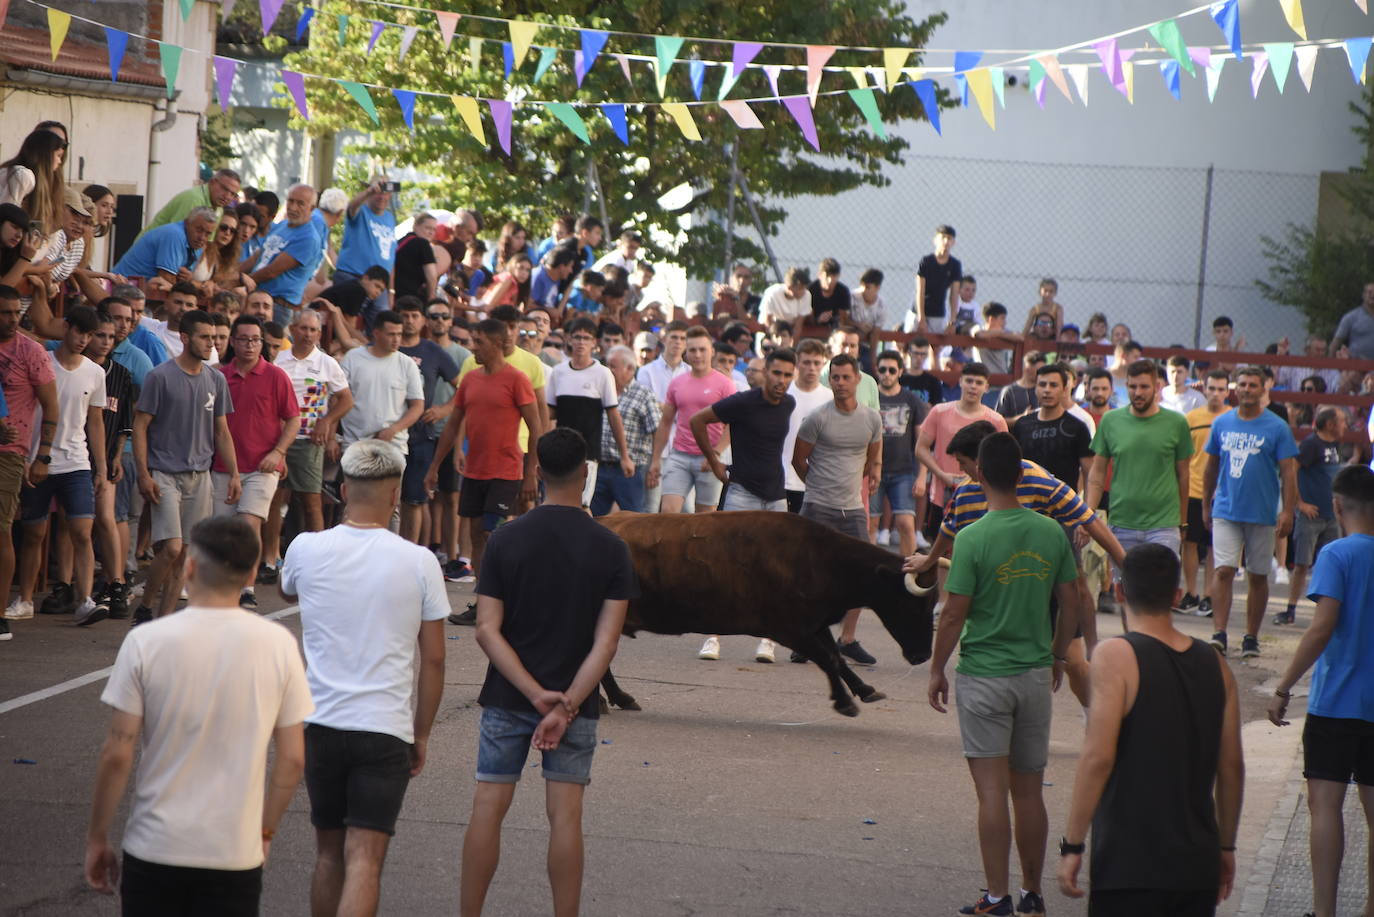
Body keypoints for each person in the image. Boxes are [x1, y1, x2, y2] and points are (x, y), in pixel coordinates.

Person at [84, 516, 311, 915]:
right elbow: (292, 759)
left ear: (190, 567)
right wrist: (265, 831)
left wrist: (98, 836)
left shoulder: (146, 641)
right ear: (252, 572)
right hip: (234, 852)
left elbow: (118, 752)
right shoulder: (277, 644)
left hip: (155, 846)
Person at [459, 427, 635, 917]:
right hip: (574, 705)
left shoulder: (506, 540)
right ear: (585, 474)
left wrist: (535, 694)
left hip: (507, 698)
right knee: (566, 818)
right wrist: (567, 701)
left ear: (536, 473)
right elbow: (607, 641)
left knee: (487, 810)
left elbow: (487, 630)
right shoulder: (611, 547)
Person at [279, 439, 446, 917]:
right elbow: (433, 660)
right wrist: (422, 733)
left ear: (344, 487)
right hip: (384, 728)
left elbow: (285, 586)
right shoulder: (420, 562)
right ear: (396, 495)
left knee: (328, 853)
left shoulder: (306, 548)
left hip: (321, 726)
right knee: (365, 861)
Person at [924, 433, 1077, 917]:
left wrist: (935, 669)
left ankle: (997, 897)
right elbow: (1072, 600)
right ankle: (1033, 892)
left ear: (981, 476)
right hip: (1034, 676)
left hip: (985, 676)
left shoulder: (972, 537)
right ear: (1021, 474)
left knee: (991, 793)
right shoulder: (1052, 532)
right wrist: (1057, 656)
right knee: (1029, 790)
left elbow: (953, 614)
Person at [1058, 544, 1243, 917]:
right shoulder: (1216, 665)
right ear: (1177, 596)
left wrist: (1073, 845)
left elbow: (1098, 757)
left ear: (1120, 590)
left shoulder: (1115, 655)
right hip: (1197, 863)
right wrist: (1226, 847)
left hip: (1130, 864)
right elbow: (1231, 767)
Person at [1267, 465, 1374, 917]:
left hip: (1336, 703)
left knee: (1325, 804)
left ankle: (1324, 911)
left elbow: (1322, 625)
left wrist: (1284, 685)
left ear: (1336, 505)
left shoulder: (1336, 554)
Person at [691, 347, 797, 663]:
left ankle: (768, 641)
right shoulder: (743, 401)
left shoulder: (789, 404)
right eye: (776, 373)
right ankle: (712, 637)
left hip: (776, 495)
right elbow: (698, 420)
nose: (781, 380)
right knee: (726, 565)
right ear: (764, 372)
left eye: (787, 375)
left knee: (776, 570)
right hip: (741, 492)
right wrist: (713, 460)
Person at [133, 309, 239, 622]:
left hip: (200, 477)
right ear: (185, 337)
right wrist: (143, 473)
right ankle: (146, 605)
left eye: (215, 337)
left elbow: (221, 431)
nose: (211, 343)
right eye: (204, 337)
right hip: (164, 473)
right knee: (171, 548)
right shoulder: (160, 376)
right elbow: (140, 426)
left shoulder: (215, 379)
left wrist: (233, 473)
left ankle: (164, 621)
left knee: (186, 555)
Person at [425, 319, 541, 584]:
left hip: (505, 472)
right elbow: (453, 425)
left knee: (493, 535)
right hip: (474, 472)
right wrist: (434, 467)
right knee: (477, 535)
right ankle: (482, 599)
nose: (473, 348)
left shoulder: (517, 379)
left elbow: (536, 427)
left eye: (479, 342)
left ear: (498, 344)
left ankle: (501, 597)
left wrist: (531, 473)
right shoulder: (470, 380)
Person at [15, 306, 107, 626]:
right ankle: (25, 598)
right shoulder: (43, 362)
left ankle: (85, 599)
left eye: (90, 334)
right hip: (36, 458)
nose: (84, 339)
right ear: (66, 328)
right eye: (80, 331)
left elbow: (95, 421)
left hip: (76, 461)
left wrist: (102, 467)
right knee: (33, 533)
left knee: (82, 531)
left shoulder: (96, 372)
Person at [792, 353, 882, 664]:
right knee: (808, 574)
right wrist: (817, 486)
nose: (840, 383)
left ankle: (848, 638)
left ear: (858, 380)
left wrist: (875, 472)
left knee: (864, 573)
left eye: (846, 377)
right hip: (817, 505)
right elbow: (798, 461)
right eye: (835, 377)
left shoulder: (871, 418)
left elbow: (874, 451)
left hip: (853, 508)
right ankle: (805, 636)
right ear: (828, 380)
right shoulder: (817, 418)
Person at [1202, 366, 1298, 657]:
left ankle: (1250, 637)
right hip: (1226, 508)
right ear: (1236, 388)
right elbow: (1211, 466)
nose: (1246, 389)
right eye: (1242, 384)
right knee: (1224, 571)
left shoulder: (1277, 427)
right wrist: (1207, 504)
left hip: (1262, 511)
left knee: (1257, 575)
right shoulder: (1222, 423)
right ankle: (1219, 633)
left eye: (1252, 385)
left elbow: (1289, 472)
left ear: (1263, 389)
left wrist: (1288, 511)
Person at [212, 315, 300, 607]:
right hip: (224, 466)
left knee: (249, 525)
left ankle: (246, 589)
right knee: (224, 532)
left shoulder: (276, 376)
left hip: (263, 467)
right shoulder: (219, 376)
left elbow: (293, 420)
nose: (250, 345)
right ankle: (227, 585)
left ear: (263, 343)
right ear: (232, 341)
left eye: (255, 339)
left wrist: (278, 452)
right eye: (244, 339)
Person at [262, 309, 353, 578]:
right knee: (273, 500)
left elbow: (346, 399)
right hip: (276, 438)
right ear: (293, 328)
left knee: (312, 500)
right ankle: (270, 559)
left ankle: (321, 562)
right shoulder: (279, 359)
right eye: (304, 328)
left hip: (309, 439)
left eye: (314, 330)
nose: (309, 334)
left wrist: (327, 421)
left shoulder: (326, 363)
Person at [1086, 359, 1192, 562]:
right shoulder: (1110, 420)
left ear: (1157, 387)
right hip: (1121, 523)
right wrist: (1088, 514)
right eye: (1133, 386)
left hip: (1164, 524)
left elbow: (1184, 475)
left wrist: (1183, 522)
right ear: (1126, 387)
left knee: (1159, 590)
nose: (1138, 392)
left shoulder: (1177, 423)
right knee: (1125, 590)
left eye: (1144, 386)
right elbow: (1097, 471)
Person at [0, 286, 58, 638]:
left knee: (2, 530)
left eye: (14, 312)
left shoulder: (30, 351)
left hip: (9, 455)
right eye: (4, 313)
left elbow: (51, 406)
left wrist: (43, 456)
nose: (11, 319)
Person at [393, 297, 461, 543]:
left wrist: (444, 409)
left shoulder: (433, 351)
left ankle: (411, 553)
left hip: (422, 436)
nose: (409, 321)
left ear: (422, 320)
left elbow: (463, 387)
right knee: (389, 499)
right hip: (388, 434)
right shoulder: (388, 346)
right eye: (405, 315)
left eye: (414, 316)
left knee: (415, 499)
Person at [647, 326, 736, 515]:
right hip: (679, 455)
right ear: (686, 352)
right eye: (693, 350)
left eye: (702, 349)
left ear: (712, 352)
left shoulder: (725, 384)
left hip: (709, 457)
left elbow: (732, 424)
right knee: (668, 513)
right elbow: (665, 422)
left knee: (705, 517)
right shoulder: (677, 383)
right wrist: (655, 459)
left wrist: (716, 454)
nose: (697, 355)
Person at [546, 318, 632, 508]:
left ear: (594, 342)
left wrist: (624, 455)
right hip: (560, 450)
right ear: (569, 339)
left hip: (588, 452)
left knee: (582, 505)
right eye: (577, 337)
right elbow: (549, 412)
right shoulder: (558, 372)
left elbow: (613, 415)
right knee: (558, 503)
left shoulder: (602, 373)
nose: (581, 342)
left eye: (586, 338)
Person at [916, 362, 1008, 534]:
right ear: (960, 381)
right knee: (940, 543)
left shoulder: (996, 420)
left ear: (987, 387)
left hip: (981, 493)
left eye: (979, 383)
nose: (973, 386)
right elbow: (921, 448)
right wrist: (941, 474)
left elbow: (1003, 458)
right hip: (943, 490)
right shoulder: (939, 411)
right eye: (969, 381)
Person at [87, 311, 136, 621]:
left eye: (110, 336)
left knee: (107, 517)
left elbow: (124, 426)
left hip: (106, 458)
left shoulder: (122, 374)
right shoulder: (76, 367)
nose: (105, 341)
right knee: (75, 526)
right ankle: (71, 586)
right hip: (76, 456)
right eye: (99, 335)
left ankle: (116, 582)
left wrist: (116, 457)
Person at [1279, 408, 1347, 626]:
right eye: (1342, 421)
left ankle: (1326, 611)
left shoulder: (1334, 445)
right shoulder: (1311, 445)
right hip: (1313, 514)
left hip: (1330, 514)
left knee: (1330, 565)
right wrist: (1299, 503)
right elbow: (1292, 470)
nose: (1345, 426)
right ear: (1330, 424)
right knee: (1302, 563)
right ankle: (1291, 608)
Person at [1178, 370, 1232, 616]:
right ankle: (1191, 592)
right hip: (1193, 487)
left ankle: (1209, 595)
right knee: (1189, 542)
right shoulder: (1191, 418)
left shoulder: (1233, 418)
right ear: (1205, 390)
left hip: (1221, 491)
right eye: (1212, 388)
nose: (1216, 394)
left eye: (1221, 389)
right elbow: (1183, 455)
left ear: (1228, 392)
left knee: (1213, 546)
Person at [338, 310, 424, 462]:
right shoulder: (352, 358)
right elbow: (337, 399)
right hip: (355, 444)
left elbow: (417, 406)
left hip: (393, 446)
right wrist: (332, 437)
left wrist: (394, 429)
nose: (396, 339)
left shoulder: (407, 364)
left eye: (399, 334)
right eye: (391, 334)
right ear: (376, 333)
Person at [870, 349, 929, 556]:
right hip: (870, 470)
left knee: (906, 524)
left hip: (903, 472)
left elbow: (922, 442)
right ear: (877, 370)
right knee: (871, 524)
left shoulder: (912, 400)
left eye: (892, 370)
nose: (887, 374)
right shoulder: (868, 398)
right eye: (883, 369)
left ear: (900, 372)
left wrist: (922, 476)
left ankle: (909, 576)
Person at [590, 346, 658, 516]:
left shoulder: (643, 395)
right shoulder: (600, 391)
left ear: (629, 369)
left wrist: (654, 464)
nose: (608, 370)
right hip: (600, 467)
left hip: (630, 470)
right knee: (594, 518)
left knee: (634, 520)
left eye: (613, 366)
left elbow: (657, 431)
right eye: (607, 365)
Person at [248, 184, 323, 327]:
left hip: (279, 307)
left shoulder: (309, 238)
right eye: (290, 201)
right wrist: (233, 275)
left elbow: (272, 271)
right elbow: (257, 257)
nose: (293, 207)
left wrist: (241, 281)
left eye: (300, 203)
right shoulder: (282, 225)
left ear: (312, 208)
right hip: (259, 298)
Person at [112, 208, 217, 290]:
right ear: (187, 223)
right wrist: (199, 286)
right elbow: (166, 281)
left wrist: (193, 282)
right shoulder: (174, 235)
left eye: (208, 233)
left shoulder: (198, 244)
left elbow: (181, 281)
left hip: (141, 291)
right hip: (120, 289)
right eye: (199, 230)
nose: (202, 237)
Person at [334, 177, 396, 313]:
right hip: (353, 276)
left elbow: (390, 257)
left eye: (386, 192)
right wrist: (369, 191)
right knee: (349, 319)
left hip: (380, 284)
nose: (382, 196)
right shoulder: (360, 211)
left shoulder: (390, 218)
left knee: (382, 322)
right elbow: (351, 206)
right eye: (378, 191)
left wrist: (391, 290)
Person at [139, 169, 242, 237]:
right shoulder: (194, 199)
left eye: (233, 194)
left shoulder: (219, 208)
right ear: (212, 182)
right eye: (224, 189)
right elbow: (175, 239)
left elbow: (206, 244)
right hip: (147, 256)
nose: (227, 196)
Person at [909, 224, 961, 334]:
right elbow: (920, 291)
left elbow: (954, 294)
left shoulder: (955, 265)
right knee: (909, 341)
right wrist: (921, 317)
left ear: (953, 242)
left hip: (938, 314)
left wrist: (952, 320)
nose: (946, 241)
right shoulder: (926, 261)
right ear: (935, 240)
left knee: (937, 347)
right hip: (917, 311)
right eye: (943, 237)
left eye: (950, 238)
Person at [394, 212, 440, 304]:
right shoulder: (423, 243)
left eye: (434, 229)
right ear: (415, 226)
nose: (431, 232)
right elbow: (431, 275)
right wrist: (431, 296)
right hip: (409, 296)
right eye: (427, 228)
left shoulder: (401, 241)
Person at [758, 267, 811, 339]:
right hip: (768, 331)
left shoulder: (806, 295)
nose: (804, 291)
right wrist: (773, 341)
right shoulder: (772, 293)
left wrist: (791, 347)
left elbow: (798, 326)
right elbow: (767, 321)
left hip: (788, 332)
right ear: (790, 287)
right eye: (800, 288)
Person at [995, 350, 1046, 420]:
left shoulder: (1045, 390)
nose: (1042, 374)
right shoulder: (1009, 391)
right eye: (1039, 370)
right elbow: (999, 421)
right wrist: (1021, 418)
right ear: (1027, 369)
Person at [1331, 281, 1374, 361]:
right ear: (1363, 295)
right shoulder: (1351, 317)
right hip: (1356, 368)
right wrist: (1329, 365)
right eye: (1369, 292)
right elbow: (1336, 342)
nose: (1372, 295)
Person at [898, 336, 944, 406]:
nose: (919, 358)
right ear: (909, 353)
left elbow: (937, 409)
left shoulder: (933, 382)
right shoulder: (899, 379)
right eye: (916, 353)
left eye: (923, 354)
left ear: (927, 355)